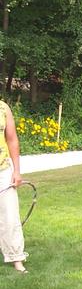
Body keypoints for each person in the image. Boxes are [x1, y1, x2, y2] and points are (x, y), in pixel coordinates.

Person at [0, 100, 28, 273]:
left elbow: (12, 139)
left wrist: (16, 171)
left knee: (10, 216)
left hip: (3, 169)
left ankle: (16, 258)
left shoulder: (3, 108)